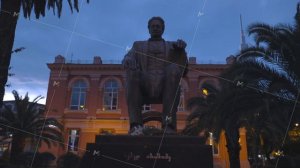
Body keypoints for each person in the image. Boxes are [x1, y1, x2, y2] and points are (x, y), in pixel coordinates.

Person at [123, 16, 188, 135]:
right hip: (145, 84)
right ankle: (136, 126)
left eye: (158, 26)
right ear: (148, 29)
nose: (155, 28)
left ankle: (169, 126)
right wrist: (128, 60)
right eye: (153, 26)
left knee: (173, 68)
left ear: (163, 29)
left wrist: (182, 51)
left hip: (165, 84)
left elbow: (183, 70)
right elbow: (128, 57)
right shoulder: (138, 46)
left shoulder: (173, 46)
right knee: (132, 73)